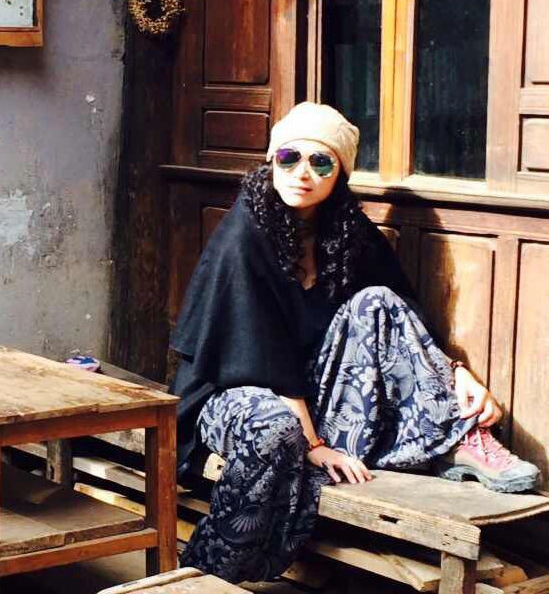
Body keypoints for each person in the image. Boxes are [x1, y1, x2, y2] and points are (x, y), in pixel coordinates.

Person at [169, 102, 540, 584]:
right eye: (289, 158)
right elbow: (259, 352)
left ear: (339, 174)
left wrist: (457, 374)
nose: (302, 173)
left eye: (320, 162)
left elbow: (400, 313)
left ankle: (461, 437)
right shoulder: (245, 231)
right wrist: (314, 444)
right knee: (276, 430)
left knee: (377, 301)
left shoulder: (346, 232)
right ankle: (205, 575)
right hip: (235, 392)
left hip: (311, 394)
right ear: (271, 161)